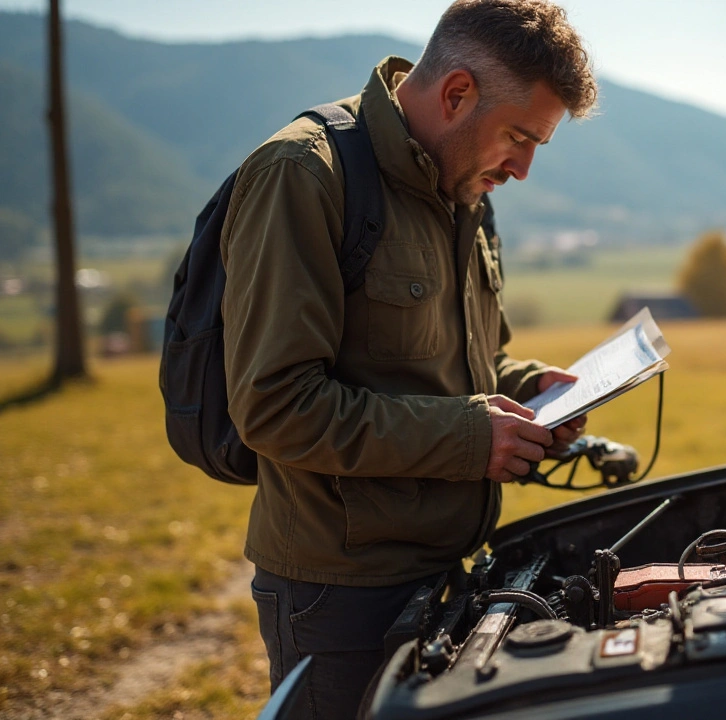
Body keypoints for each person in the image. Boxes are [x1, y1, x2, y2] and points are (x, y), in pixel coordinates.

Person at [218, 1, 597, 716]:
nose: (523, 168)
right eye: (519, 137)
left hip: (450, 569)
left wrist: (530, 392)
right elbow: (274, 405)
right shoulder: (304, 174)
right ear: (456, 94)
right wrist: (470, 437)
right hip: (343, 596)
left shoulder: (462, 184)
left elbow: (466, 361)